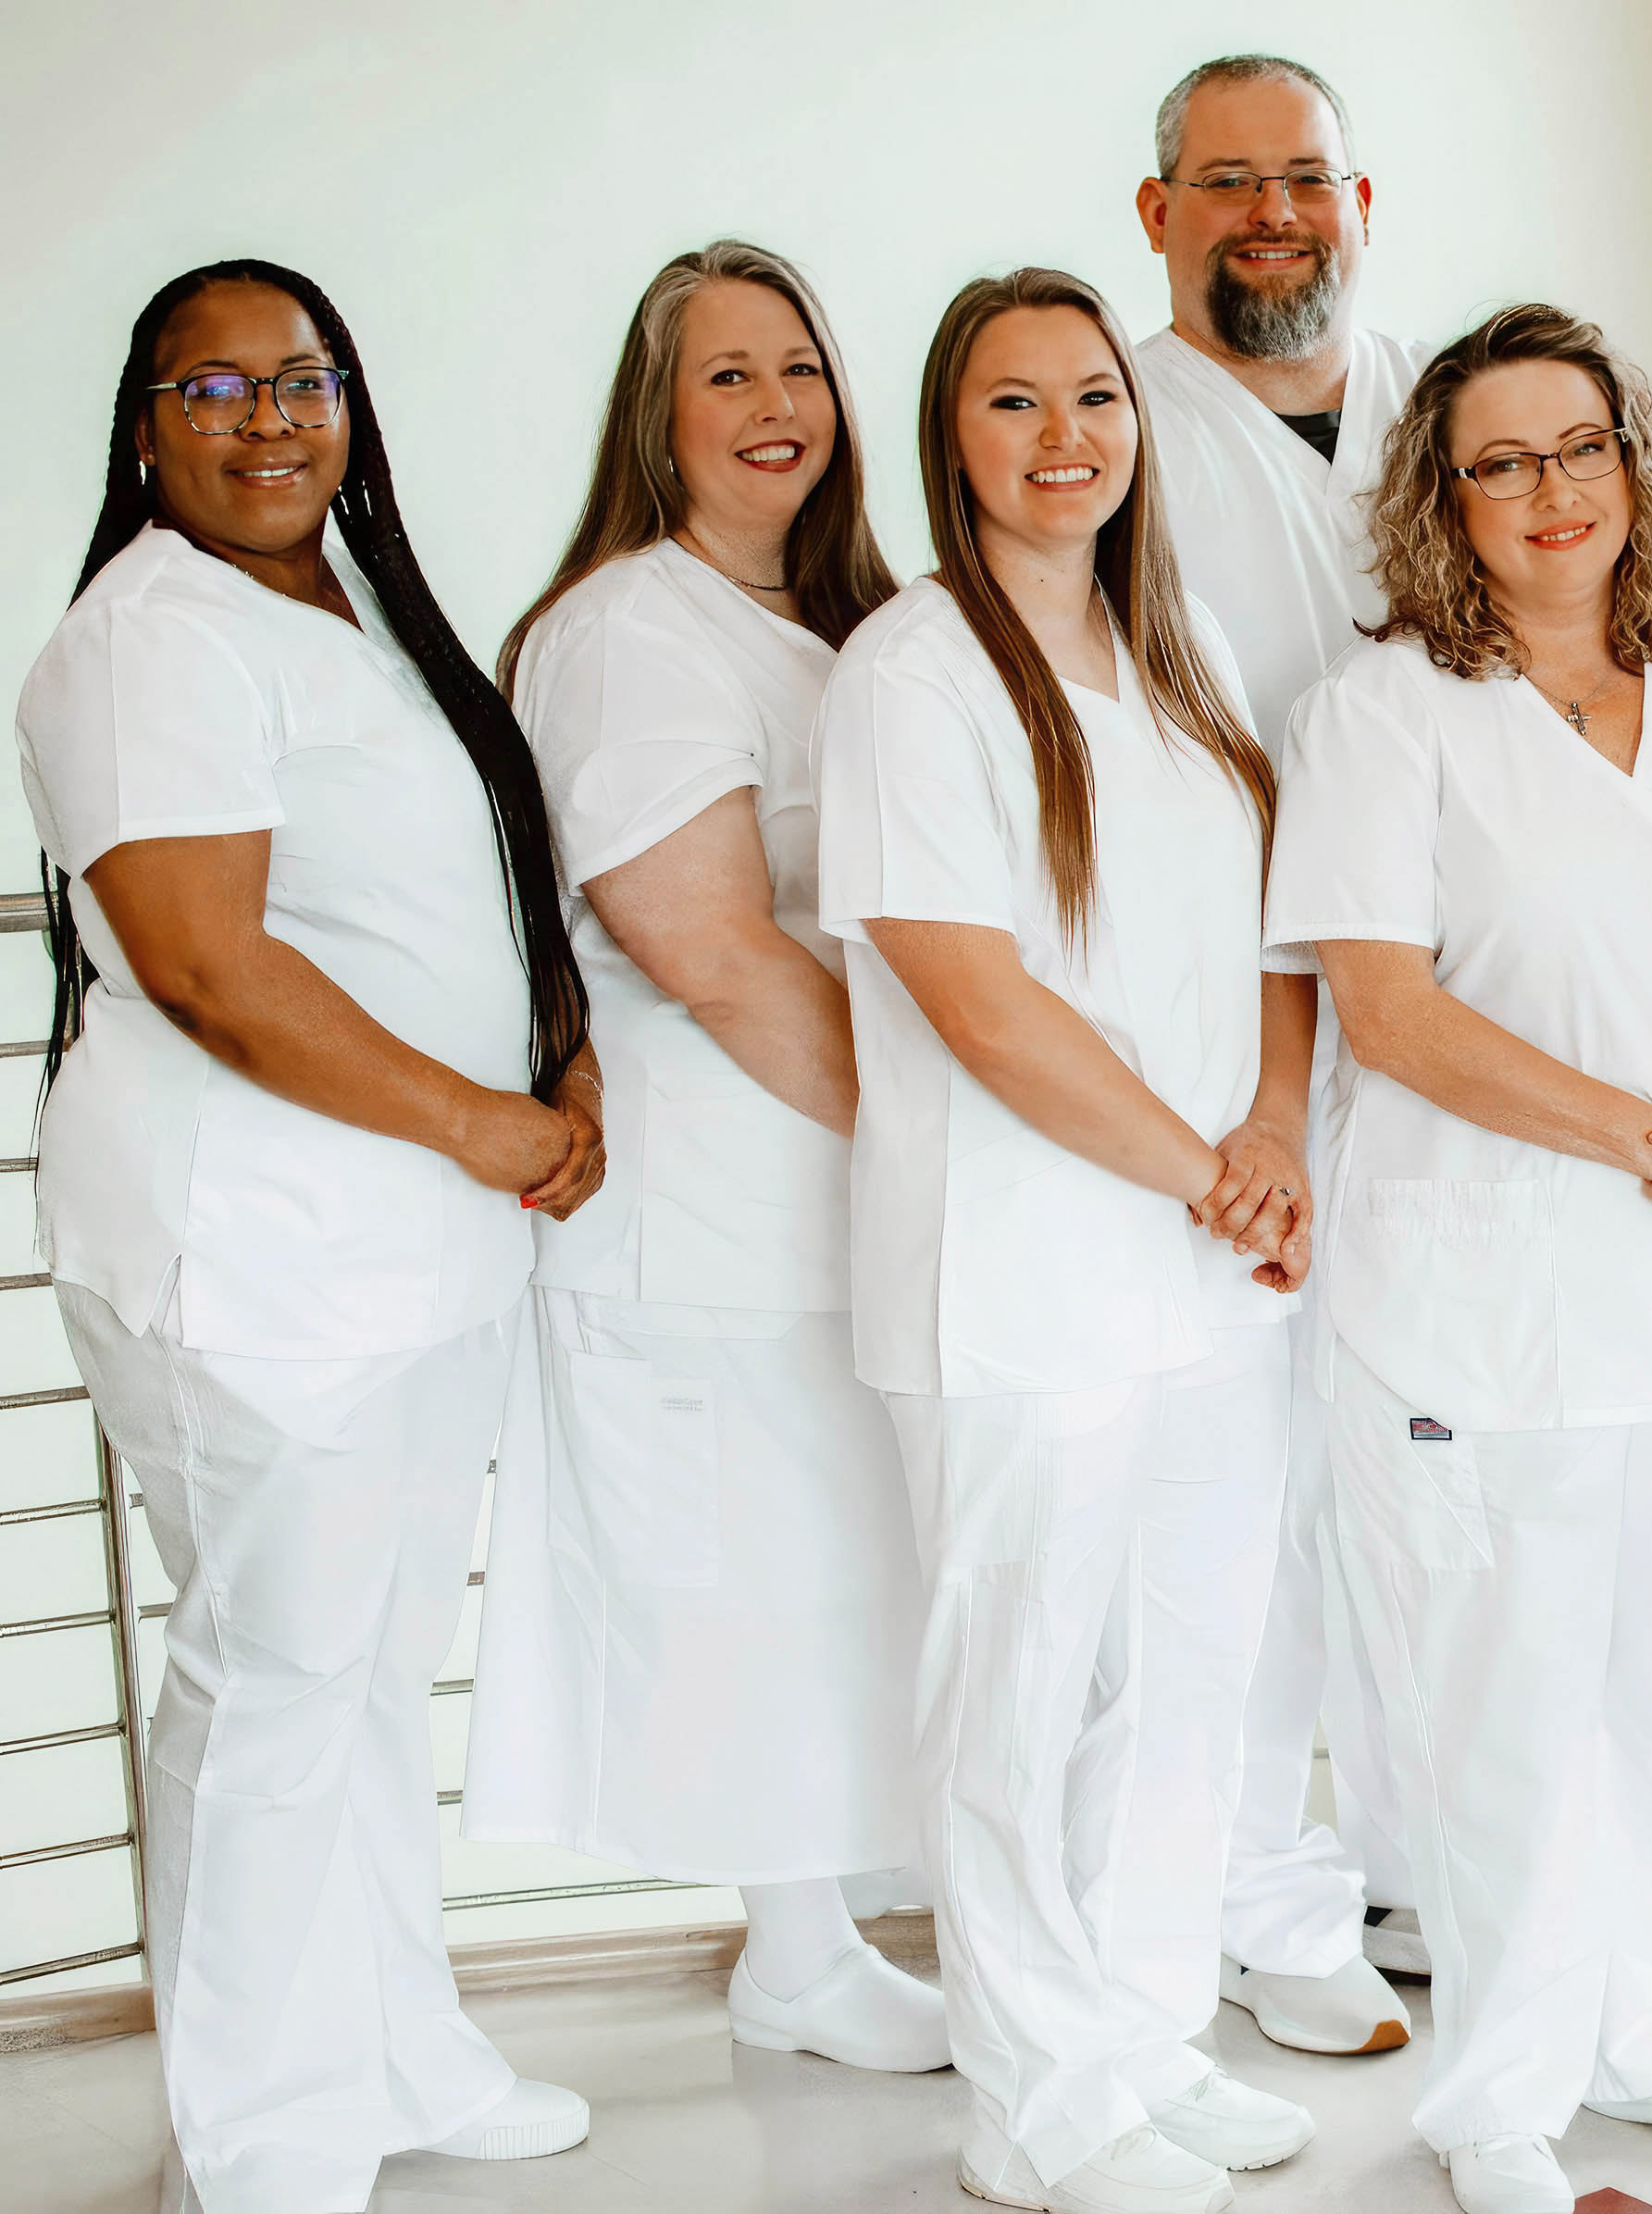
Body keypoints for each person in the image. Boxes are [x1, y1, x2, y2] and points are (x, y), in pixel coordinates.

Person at [1265, 303, 1652, 2214]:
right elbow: (1387, 1007)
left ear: (1638, 464)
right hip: (1497, 1279)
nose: (1553, 490)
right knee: (1506, 1688)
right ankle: (1503, 2090)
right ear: (1444, 497)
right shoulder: (1387, 705)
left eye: (1583, 446)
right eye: (1503, 459)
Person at [16, 260, 602, 2213]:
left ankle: (393, 2045)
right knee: (274, 1676)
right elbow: (203, 963)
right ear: (142, 423)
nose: (271, 418)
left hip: (416, 1247)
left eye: (307, 378)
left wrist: (562, 1070)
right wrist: (485, 1119)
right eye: (218, 386)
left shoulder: (353, 612)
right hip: (255, 1255)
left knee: (364, 1672)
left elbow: (465, 889)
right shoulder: (149, 636)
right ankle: (262, 2132)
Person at [815, 267, 1315, 2214]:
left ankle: (1135, 2034)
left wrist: (1269, 1127)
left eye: (1095, 398)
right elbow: (977, 995)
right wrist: (1204, 1167)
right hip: (1023, 1265)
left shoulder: (1177, 660)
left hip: (1210, 1257)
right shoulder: (912, 672)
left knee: (1188, 1672)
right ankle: (1033, 2095)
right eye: (1014, 404)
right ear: (952, 437)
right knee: (1016, 1688)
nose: (1064, 439)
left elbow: (1283, 929)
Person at [461, 241, 941, 2071]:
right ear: (654, 416)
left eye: (801, 367)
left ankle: (830, 1944)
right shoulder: (631, 630)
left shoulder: (850, 623)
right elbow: (717, 950)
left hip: (823, 1193)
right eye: (727, 374)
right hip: (715, 1202)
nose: (775, 407)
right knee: (766, 1580)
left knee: (846, 1569)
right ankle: (800, 1955)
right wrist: (949, 1130)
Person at [1129, 49, 1430, 2049]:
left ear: (1361, 200)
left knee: (1421, 1469)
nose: (1271, 217)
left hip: (1443, 1038)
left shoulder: (1441, 407)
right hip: (1226, 1042)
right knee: (1232, 1493)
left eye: (1303, 178)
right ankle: (1252, 1890)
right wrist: (1257, 1089)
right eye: (1224, 183)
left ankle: (1418, 1853)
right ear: (1156, 213)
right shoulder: (1111, 425)